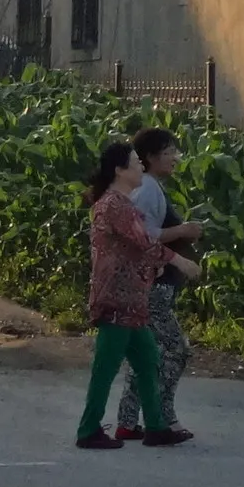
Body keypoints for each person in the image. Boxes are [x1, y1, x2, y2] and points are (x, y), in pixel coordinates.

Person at [74, 139, 197, 449]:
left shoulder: (120, 204)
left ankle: (155, 427)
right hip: (116, 298)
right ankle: (88, 430)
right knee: (106, 368)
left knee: (148, 361)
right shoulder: (116, 205)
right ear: (119, 170)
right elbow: (145, 243)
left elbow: (131, 247)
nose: (141, 166)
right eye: (135, 163)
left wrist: (150, 268)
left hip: (131, 299)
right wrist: (180, 261)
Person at [111, 127, 207, 441]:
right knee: (175, 351)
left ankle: (128, 420)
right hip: (154, 285)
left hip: (146, 284)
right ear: (151, 158)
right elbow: (145, 236)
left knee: (144, 352)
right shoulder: (149, 189)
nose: (175, 159)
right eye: (169, 153)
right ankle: (163, 419)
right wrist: (183, 231)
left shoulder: (147, 187)